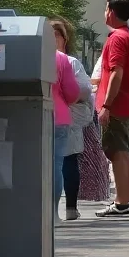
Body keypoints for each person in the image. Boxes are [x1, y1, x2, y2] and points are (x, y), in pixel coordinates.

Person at [51, 19, 105, 221]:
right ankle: (60, 210)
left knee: (62, 161)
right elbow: (80, 91)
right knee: (60, 163)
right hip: (64, 115)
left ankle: (65, 208)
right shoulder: (66, 61)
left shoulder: (34, 59)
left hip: (54, 117)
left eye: (57, 35)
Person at [95, 0, 129, 218]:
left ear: (111, 12)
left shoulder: (116, 38)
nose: (105, 13)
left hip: (116, 104)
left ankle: (123, 202)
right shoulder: (127, 37)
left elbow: (116, 72)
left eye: (106, 9)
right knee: (122, 151)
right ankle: (126, 200)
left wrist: (106, 104)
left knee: (117, 152)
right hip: (126, 103)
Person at [51, 24, 82, 219]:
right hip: (59, 116)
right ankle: (53, 213)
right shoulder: (61, 59)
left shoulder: (29, 54)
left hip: (28, 116)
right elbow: (72, 93)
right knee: (56, 165)